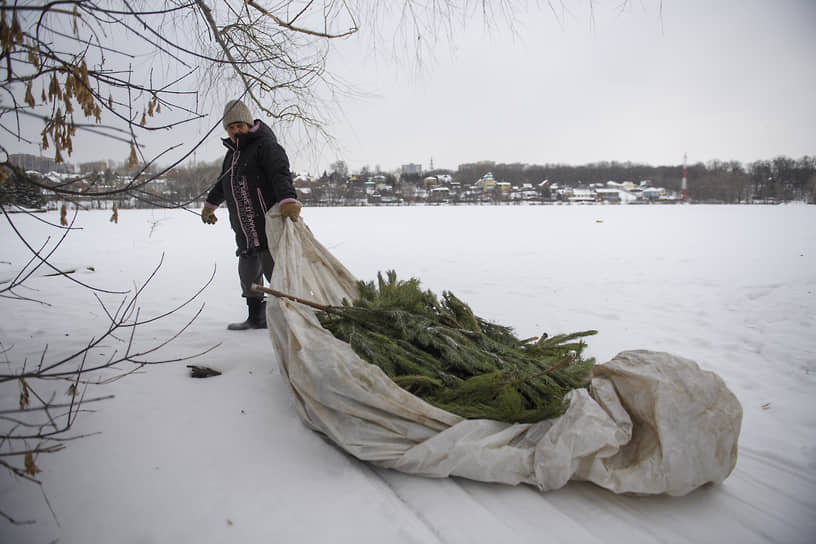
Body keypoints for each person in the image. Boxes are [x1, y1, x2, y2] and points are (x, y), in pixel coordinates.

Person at [201, 99, 301, 330]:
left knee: (274, 272)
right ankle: (256, 316)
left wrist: (287, 200)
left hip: (266, 224)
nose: (236, 131)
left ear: (248, 124)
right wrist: (210, 205)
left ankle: (289, 320)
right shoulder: (232, 155)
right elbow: (222, 183)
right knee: (248, 274)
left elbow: (280, 174)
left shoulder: (266, 146)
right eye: (231, 127)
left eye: (240, 126)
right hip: (244, 227)